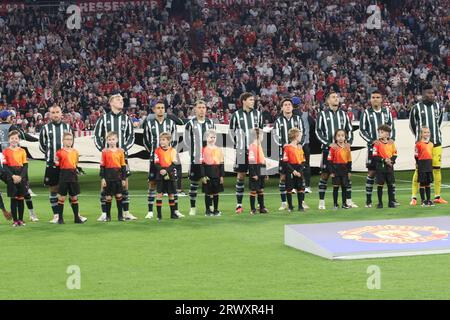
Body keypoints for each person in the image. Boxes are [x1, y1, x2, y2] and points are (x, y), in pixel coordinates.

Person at [39, 105, 87, 224]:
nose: (55, 114)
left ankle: (77, 215)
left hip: (67, 165)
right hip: (52, 164)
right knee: (53, 189)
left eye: (57, 112)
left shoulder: (67, 127)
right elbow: (42, 146)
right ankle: (56, 215)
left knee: (72, 190)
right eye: (53, 112)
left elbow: (72, 143)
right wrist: (53, 156)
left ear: (61, 114)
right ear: (49, 114)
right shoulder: (45, 128)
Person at [94, 93, 137, 221]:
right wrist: (103, 150)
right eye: (118, 100)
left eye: (122, 100)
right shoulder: (103, 118)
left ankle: (126, 212)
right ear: (111, 102)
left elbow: (131, 136)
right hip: (107, 159)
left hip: (122, 157)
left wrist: (124, 149)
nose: (121, 102)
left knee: (124, 184)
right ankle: (104, 213)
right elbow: (97, 136)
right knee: (104, 184)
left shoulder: (126, 118)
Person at [315, 92, 356, 210]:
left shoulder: (343, 114)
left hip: (342, 151)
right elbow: (318, 131)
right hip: (328, 150)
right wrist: (328, 144)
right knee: (324, 175)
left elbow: (350, 130)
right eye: (333, 97)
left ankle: (348, 201)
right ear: (328, 101)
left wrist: (349, 142)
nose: (336, 99)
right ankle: (321, 202)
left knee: (346, 177)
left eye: (337, 97)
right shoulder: (322, 114)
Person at [143, 101, 184, 219]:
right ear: (154, 110)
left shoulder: (171, 123)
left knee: (172, 185)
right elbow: (146, 141)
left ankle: (175, 210)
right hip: (155, 159)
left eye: (162, 108)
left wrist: (170, 155)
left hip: (169, 160)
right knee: (152, 184)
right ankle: (150, 211)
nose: (160, 110)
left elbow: (175, 140)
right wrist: (153, 152)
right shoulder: (149, 124)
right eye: (158, 108)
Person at [409, 84, 447, 205]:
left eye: (432, 93)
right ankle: (414, 197)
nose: (431, 95)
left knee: (437, 169)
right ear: (423, 94)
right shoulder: (416, 108)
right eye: (429, 93)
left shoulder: (438, 106)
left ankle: (437, 196)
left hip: (436, 143)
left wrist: (433, 136)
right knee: (418, 170)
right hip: (422, 145)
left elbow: (439, 122)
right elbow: (412, 125)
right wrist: (420, 139)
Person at [359, 91, 397, 208]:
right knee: (371, 173)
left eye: (378, 97)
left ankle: (392, 200)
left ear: (381, 99)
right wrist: (372, 141)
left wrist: (392, 140)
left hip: (387, 148)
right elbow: (362, 130)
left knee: (390, 172)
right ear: (370, 99)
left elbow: (392, 128)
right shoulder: (366, 113)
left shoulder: (387, 112)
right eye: (373, 97)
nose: (375, 99)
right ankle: (368, 201)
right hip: (373, 149)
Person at [0, 109, 39, 221]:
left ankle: (12, 216)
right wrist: (37, 140)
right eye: (10, 117)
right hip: (14, 162)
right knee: (24, 191)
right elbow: (24, 136)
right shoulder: (12, 128)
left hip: (3, 163)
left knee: (12, 192)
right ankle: (32, 214)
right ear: (8, 118)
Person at [229, 92, 263, 214]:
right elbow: (231, 132)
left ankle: (259, 205)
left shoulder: (258, 114)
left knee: (257, 177)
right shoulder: (236, 115)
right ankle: (239, 205)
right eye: (250, 100)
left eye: (253, 100)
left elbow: (261, 131)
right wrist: (238, 145)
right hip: (242, 150)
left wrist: (257, 145)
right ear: (243, 101)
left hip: (255, 150)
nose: (252, 102)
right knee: (241, 176)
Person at [274, 98, 307, 211]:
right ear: (282, 107)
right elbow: (275, 136)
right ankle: (284, 202)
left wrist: (299, 144)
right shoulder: (278, 121)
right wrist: (285, 146)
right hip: (284, 154)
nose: (287, 106)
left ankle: (301, 202)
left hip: (297, 154)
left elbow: (303, 133)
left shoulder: (298, 119)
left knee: (299, 177)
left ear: (292, 107)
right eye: (285, 105)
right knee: (283, 177)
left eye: (289, 104)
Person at [184, 100, 215, 216]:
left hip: (208, 159)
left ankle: (209, 207)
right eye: (199, 107)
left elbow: (213, 139)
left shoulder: (210, 123)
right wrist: (194, 153)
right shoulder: (190, 124)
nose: (202, 109)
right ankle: (192, 207)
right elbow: (187, 141)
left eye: (204, 107)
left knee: (209, 183)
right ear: (195, 109)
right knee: (194, 184)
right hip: (196, 159)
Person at [54, 132, 84, 224]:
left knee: (74, 197)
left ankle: (76, 218)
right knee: (62, 197)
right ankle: (60, 218)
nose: (69, 141)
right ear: (63, 141)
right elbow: (56, 163)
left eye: (71, 139)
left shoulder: (75, 152)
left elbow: (76, 163)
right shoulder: (59, 152)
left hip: (73, 176)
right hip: (63, 175)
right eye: (67, 139)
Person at [2, 131, 29, 226]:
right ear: (9, 140)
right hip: (11, 176)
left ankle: (21, 220)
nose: (14, 140)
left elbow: (25, 165)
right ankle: (15, 220)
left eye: (16, 138)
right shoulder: (5, 151)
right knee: (13, 199)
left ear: (19, 140)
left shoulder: (22, 151)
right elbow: (5, 167)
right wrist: (12, 176)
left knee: (21, 198)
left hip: (21, 175)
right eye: (12, 138)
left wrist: (21, 176)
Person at [100, 131, 127, 221]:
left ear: (117, 140)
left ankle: (120, 216)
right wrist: (103, 178)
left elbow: (123, 166)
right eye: (109, 139)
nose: (111, 141)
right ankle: (108, 216)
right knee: (108, 197)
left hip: (118, 177)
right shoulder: (105, 152)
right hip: (108, 177)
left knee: (119, 196)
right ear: (107, 141)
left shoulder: (120, 151)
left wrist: (123, 178)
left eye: (113, 139)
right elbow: (102, 166)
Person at [154, 132, 179, 221]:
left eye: (164, 140)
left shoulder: (173, 150)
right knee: (159, 194)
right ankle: (159, 215)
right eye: (160, 140)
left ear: (169, 141)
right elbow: (156, 162)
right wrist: (161, 170)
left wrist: (166, 171)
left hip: (170, 174)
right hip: (160, 174)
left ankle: (172, 214)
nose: (161, 142)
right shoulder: (157, 150)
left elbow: (174, 163)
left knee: (171, 194)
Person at [372, 125, 397, 209]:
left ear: (387, 134)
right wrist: (384, 160)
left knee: (390, 185)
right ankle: (380, 203)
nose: (380, 134)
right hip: (380, 167)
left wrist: (391, 161)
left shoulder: (391, 143)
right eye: (379, 132)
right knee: (380, 185)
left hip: (389, 167)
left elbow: (395, 153)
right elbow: (375, 155)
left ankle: (391, 202)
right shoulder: (377, 143)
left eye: (382, 132)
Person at [201, 129, 224, 216]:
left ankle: (216, 210)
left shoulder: (219, 149)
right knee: (208, 192)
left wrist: (221, 176)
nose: (212, 139)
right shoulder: (203, 149)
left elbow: (221, 163)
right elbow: (202, 164)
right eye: (211, 137)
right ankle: (207, 210)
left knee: (216, 192)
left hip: (216, 174)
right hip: (207, 173)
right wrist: (203, 176)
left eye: (214, 137)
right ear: (206, 138)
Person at [282, 128, 306, 212]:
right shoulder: (287, 147)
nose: (301, 137)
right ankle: (290, 206)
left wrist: (299, 171)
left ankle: (300, 206)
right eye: (300, 135)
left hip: (299, 169)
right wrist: (293, 171)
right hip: (290, 170)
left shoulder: (300, 148)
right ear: (296, 136)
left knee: (300, 188)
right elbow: (285, 161)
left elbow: (303, 161)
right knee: (289, 188)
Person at [292, 96, 313, 194]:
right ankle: (307, 186)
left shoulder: (289, 115)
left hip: (293, 145)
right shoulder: (306, 115)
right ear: (300, 104)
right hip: (305, 144)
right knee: (306, 165)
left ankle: (294, 187)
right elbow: (313, 124)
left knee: (294, 166)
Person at [328, 129, 352, 210]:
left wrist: (349, 171)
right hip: (336, 170)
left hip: (344, 170)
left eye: (342, 136)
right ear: (335, 137)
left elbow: (349, 160)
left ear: (345, 137)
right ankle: (335, 204)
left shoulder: (347, 147)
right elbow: (329, 160)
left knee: (344, 187)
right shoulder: (333, 148)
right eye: (338, 136)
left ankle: (344, 203)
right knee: (336, 187)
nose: (341, 137)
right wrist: (331, 171)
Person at [248, 128, 268, 215]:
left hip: (261, 168)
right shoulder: (252, 147)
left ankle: (262, 207)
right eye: (262, 135)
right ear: (258, 136)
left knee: (261, 189)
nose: (263, 136)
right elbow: (251, 162)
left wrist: (265, 173)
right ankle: (252, 209)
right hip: (255, 169)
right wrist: (253, 174)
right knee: (254, 190)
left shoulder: (260, 146)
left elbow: (263, 160)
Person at [415, 127, 434, 206]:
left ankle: (429, 200)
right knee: (422, 183)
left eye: (428, 132)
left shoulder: (431, 144)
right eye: (425, 132)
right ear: (421, 134)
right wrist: (417, 163)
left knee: (428, 183)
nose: (427, 134)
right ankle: (423, 200)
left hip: (429, 164)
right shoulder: (418, 144)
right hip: (422, 164)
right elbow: (416, 155)